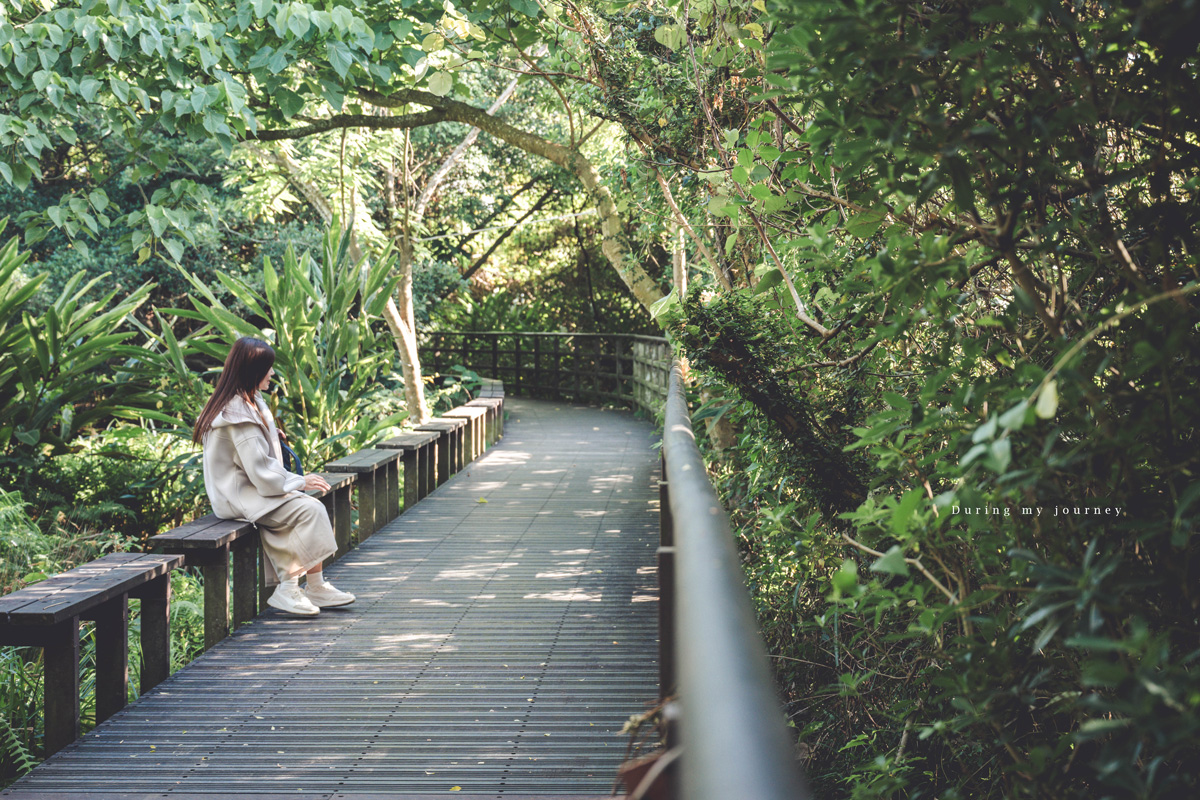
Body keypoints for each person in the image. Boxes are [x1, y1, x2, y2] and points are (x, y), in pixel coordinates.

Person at [192, 336, 355, 616]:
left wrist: (269, 436)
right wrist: (299, 481)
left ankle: (314, 586)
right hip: (238, 495)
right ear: (252, 371)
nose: (272, 374)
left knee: (302, 509)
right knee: (309, 509)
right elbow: (259, 471)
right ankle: (290, 588)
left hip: (246, 488)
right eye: (267, 368)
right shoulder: (236, 415)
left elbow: (252, 453)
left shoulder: (246, 400)